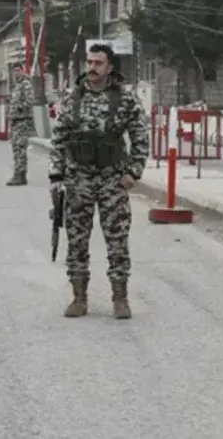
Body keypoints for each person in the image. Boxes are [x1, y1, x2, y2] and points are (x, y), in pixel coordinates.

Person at [48, 43, 150, 320]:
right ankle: (79, 298)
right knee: (77, 240)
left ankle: (120, 297)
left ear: (109, 67)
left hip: (111, 179)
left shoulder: (125, 99)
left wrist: (133, 172)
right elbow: (59, 139)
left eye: (98, 63)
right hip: (78, 178)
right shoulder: (73, 98)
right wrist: (56, 176)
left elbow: (141, 136)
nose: (92, 68)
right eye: (89, 62)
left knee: (117, 240)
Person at [6, 66, 35, 186]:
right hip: (16, 120)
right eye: (14, 71)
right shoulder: (17, 85)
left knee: (19, 148)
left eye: (18, 70)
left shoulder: (25, 84)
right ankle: (21, 175)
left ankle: (19, 175)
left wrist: (18, 108)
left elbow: (29, 100)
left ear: (23, 71)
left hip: (22, 121)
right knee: (17, 148)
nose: (16, 73)